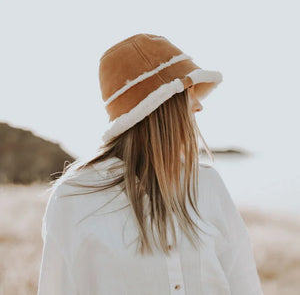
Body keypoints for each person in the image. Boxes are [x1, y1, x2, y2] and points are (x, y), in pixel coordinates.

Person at [37, 33, 263, 295]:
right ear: (162, 105)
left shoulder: (207, 183)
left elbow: (243, 282)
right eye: (189, 91)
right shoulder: (73, 198)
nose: (199, 105)